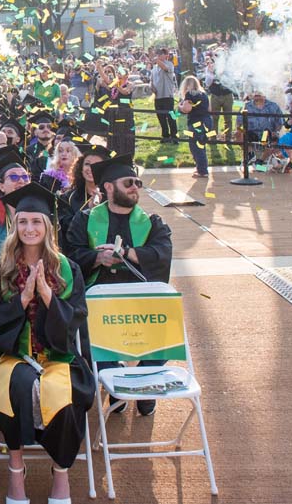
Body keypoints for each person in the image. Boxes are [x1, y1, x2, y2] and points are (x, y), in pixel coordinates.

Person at [0, 184, 94, 504]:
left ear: (48, 226)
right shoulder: (0, 270)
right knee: (16, 384)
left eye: (36, 222)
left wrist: (46, 295)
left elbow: (74, 325)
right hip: (14, 355)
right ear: (14, 225)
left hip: (57, 357)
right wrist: (23, 298)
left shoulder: (67, 268)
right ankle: (16, 469)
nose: (29, 229)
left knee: (64, 394)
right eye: (23, 221)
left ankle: (60, 473)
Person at [64, 156, 172, 416]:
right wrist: (97, 257)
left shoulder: (152, 222)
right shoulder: (85, 220)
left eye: (137, 182)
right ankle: (116, 382)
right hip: (97, 296)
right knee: (81, 325)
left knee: (170, 322)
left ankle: (146, 380)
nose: (135, 187)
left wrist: (127, 253)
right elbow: (70, 255)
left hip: (139, 294)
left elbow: (163, 250)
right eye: (128, 182)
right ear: (109, 187)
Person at [177, 76, 212, 179]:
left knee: (195, 147)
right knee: (202, 146)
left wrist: (180, 106)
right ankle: (201, 168)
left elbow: (187, 109)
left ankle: (202, 171)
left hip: (196, 123)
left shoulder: (189, 94)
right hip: (207, 122)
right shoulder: (204, 94)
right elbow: (209, 108)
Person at [149, 50, 179, 144]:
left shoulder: (170, 64)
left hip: (167, 95)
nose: (158, 56)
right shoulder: (154, 68)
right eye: (158, 54)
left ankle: (174, 137)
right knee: (161, 117)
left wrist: (156, 60)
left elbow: (165, 68)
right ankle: (165, 136)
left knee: (171, 117)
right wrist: (152, 87)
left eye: (160, 54)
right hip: (158, 97)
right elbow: (151, 80)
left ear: (165, 55)